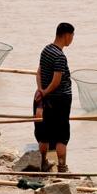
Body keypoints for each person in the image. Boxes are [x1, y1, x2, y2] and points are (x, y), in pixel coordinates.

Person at [35, 22, 75, 173]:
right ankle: (62, 167)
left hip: (46, 99)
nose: (72, 39)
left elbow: (38, 73)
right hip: (60, 100)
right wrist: (45, 92)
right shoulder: (60, 56)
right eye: (72, 36)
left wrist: (40, 90)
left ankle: (43, 163)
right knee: (62, 135)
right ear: (66, 35)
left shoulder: (46, 50)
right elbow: (56, 81)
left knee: (44, 134)